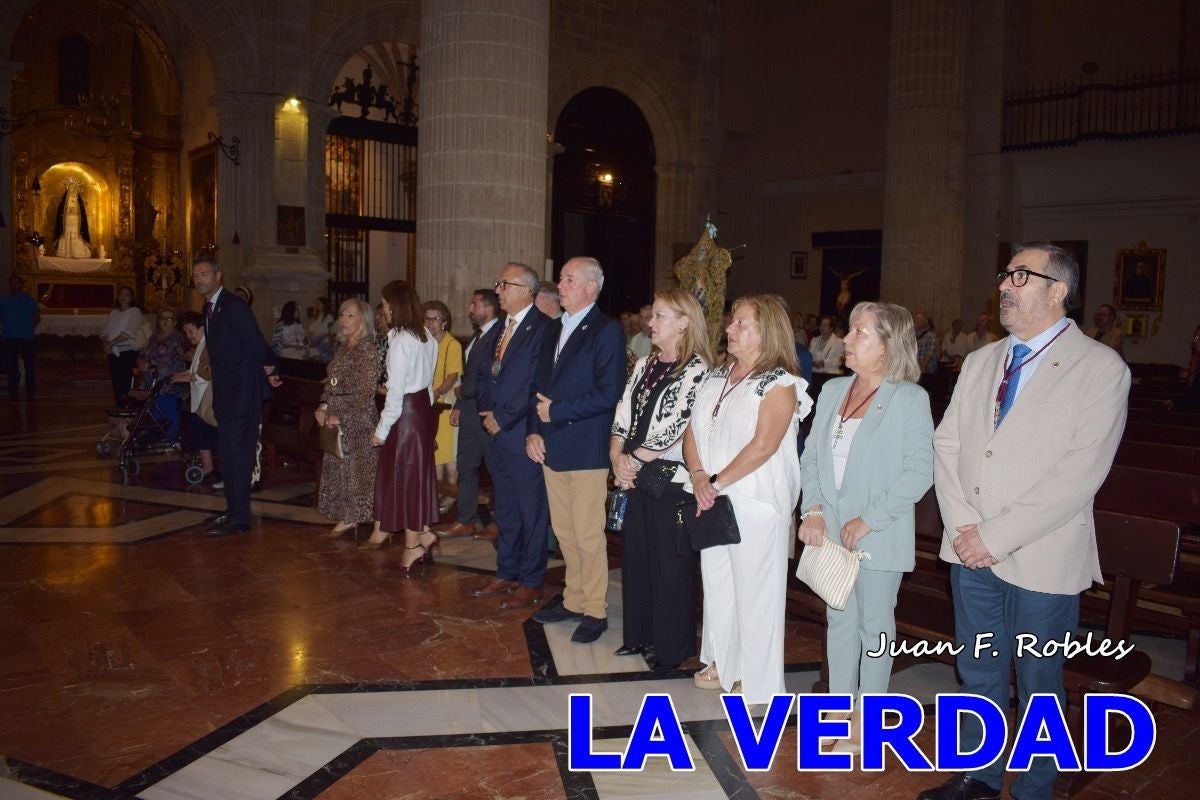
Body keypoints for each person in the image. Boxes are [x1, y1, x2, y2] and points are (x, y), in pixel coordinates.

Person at [919, 243, 1129, 800]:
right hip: (970, 547)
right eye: (1005, 275)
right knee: (980, 670)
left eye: (1021, 276)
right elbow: (949, 444)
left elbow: (1081, 472)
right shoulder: (985, 359)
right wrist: (966, 527)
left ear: (1059, 291)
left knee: (1039, 681)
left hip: (1041, 549)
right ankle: (977, 777)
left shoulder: (1100, 368)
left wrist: (994, 535)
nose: (1005, 286)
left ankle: (1035, 788)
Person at [798, 301, 933, 751]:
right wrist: (812, 510)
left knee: (875, 627)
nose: (848, 340)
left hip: (878, 531)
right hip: (831, 527)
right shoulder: (835, 390)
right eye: (850, 331)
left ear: (888, 345)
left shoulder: (909, 398)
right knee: (839, 619)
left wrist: (869, 519)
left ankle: (869, 719)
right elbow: (812, 455)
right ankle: (840, 710)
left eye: (860, 334)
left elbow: (919, 472)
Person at [683, 295, 812, 704]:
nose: (730, 329)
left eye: (742, 324)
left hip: (755, 501)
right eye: (732, 322)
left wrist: (715, 481)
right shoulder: (716, 376)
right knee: (718, 584)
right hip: (712, 494)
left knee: (756, 591)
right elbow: (693, 431)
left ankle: (758, 679)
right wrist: (700, 475)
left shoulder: (779, 383)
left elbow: (764, 446)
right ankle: (724, 660)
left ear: (767, 332)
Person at [610, 289, 713, 670]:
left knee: (670, 564)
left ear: (684, 322)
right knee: (637, 557)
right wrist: (615, 456)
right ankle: (639, 635)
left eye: (660, 316)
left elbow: (675, 425)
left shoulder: (697, 369)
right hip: (635, 470)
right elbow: (622, 414)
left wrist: (630, 461)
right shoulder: (644, 364)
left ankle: (670, 647)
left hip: (670, 478)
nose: (649, 323)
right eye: (652, 316)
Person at [527, 257, 626, 640]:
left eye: (569, 279)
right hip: (552, 446)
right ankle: (574, 599)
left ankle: (596, 611)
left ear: (591, 287)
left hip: (585, 447)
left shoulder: (606, 331)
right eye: (562, 278)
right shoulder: (552, 329)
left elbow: (609, 393)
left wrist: (557, 412)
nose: (561, 284)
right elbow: (538, 391)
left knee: (587, 534)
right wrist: (535, 431)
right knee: (565, 533)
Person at [471, 262, 552, 608]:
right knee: (505, 508)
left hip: (522, 433)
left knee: (531, 510)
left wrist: (502, 417)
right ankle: (506, 571)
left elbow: (536, 382)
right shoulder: (500, 329)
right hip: (497, 431)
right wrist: (487, 413)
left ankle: (531, 580)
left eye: (504, 284)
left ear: (524, 289)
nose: (498, 289)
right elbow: (488, 374)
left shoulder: (544, 328)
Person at [192, 256, 280, 536]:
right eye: (196, 275)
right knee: (228, 455)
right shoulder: (211, 308)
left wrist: (271, 369)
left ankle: (240, 518)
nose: (199, 279)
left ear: (219, 276)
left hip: (242, 394)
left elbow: (256, 343)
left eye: (204, 274)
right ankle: (232, 510)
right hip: (227, 393)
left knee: (239, 456)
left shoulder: (233, 306)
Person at [369, 280, 440, 570]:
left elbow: (396, 393)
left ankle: (412, 547)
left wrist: (381, 431)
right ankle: (424, 533)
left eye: (385, 303)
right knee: (416, 477)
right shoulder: (425, 335)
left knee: (406, 479)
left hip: (406, 415)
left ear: (394, 305)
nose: (383, 308)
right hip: (422, 411)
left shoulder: (400, 340)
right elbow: (430, 386)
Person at [315, 299, 383, 540]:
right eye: (342, 314)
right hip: (337, 417)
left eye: (350, 316)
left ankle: (370, 520)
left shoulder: (368, 351)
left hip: (358, 421)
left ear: (363, 321)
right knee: (339, 470)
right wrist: (324, 404)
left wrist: (339, 414)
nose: (343, 320)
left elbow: (364, 393)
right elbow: (332, 381)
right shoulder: (343, 350)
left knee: (359, 474)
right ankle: (348, 516)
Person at [439, 289, 502, 538]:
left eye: (475, 305)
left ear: (488, 308)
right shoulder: (477, 337)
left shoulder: (499, 336)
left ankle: (499, 521)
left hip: (487, 412)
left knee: (496, 469)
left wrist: (462, 391)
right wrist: (458, 405)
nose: (470, 309)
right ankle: (465, 519)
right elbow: (469, 375)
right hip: (468, 411)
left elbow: (490, 376)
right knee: (466, 466)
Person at [423, 300, 463, 514]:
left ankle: (450, 494)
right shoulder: (424, 343)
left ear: (444, 322)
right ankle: (436, 491)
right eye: (427, 318)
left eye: (435, 319)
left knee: (449, 456)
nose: (431, 323)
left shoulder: (451, 344)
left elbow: (452, 376)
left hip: (445, 406)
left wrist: (435, 393)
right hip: (428, 406)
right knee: (434, 453)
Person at [171, 311, 217, 480]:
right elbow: (195, 370)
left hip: (207, 397)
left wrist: (186, 377)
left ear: (202, 328)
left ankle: (208, 466)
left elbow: (205, 373)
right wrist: (182, 375)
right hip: (200, 397)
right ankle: (207, 465)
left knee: (203, 434)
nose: (188, 336)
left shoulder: (209, 345)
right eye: (186, 332)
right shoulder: (201, 345)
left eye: (191, 331)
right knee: (200, 433)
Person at [137, 308, 188, 439]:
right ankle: (160, 439)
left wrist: (150, 364)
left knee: (168, 411)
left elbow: (174, 356)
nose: (166, 322)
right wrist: (141, 361)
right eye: (162, 318)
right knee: (156, 412)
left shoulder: (178, 337)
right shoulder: (153, 337)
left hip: (168, 381)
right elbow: (144, 353)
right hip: (152, 382)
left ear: (175, 322)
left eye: (170, 319)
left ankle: (172, 440)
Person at [0, 276, 40, 401]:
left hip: (26, 337)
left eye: (16, 283)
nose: (14, 285)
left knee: (29, 367)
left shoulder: (29, 300)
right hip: (9, 337)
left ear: (21, 285)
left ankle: (30, 394)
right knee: (11, 367)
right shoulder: (4, 301)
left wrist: (28, 328)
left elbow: (37, 317)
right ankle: (13, 393)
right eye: (12, 283)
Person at [102, 285, 143, 406]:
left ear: (131, 298)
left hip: (127, 353)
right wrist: (106, 344)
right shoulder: (113, 313)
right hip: (113, 352)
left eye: (127, 295)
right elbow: (105, 332)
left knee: (126, 383)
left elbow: (129, 332)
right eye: (121, 294)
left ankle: (128, 411)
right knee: (116, 384)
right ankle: (120, 408)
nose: (123, 297)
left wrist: (111, 343)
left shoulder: (134, 312)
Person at [52, 177, 92, 258]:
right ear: (68, 189)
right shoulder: (65, 200)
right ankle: (66, 252)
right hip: (67, 220)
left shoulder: (78, 200)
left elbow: (82, 212)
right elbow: (62, 212)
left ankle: (77, 252)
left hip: (76, 220)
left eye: (74, 188)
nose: (73, 190)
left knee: (76, 234)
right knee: (67, 232)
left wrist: (75, 211)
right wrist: (69, 211)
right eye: (71, 188)